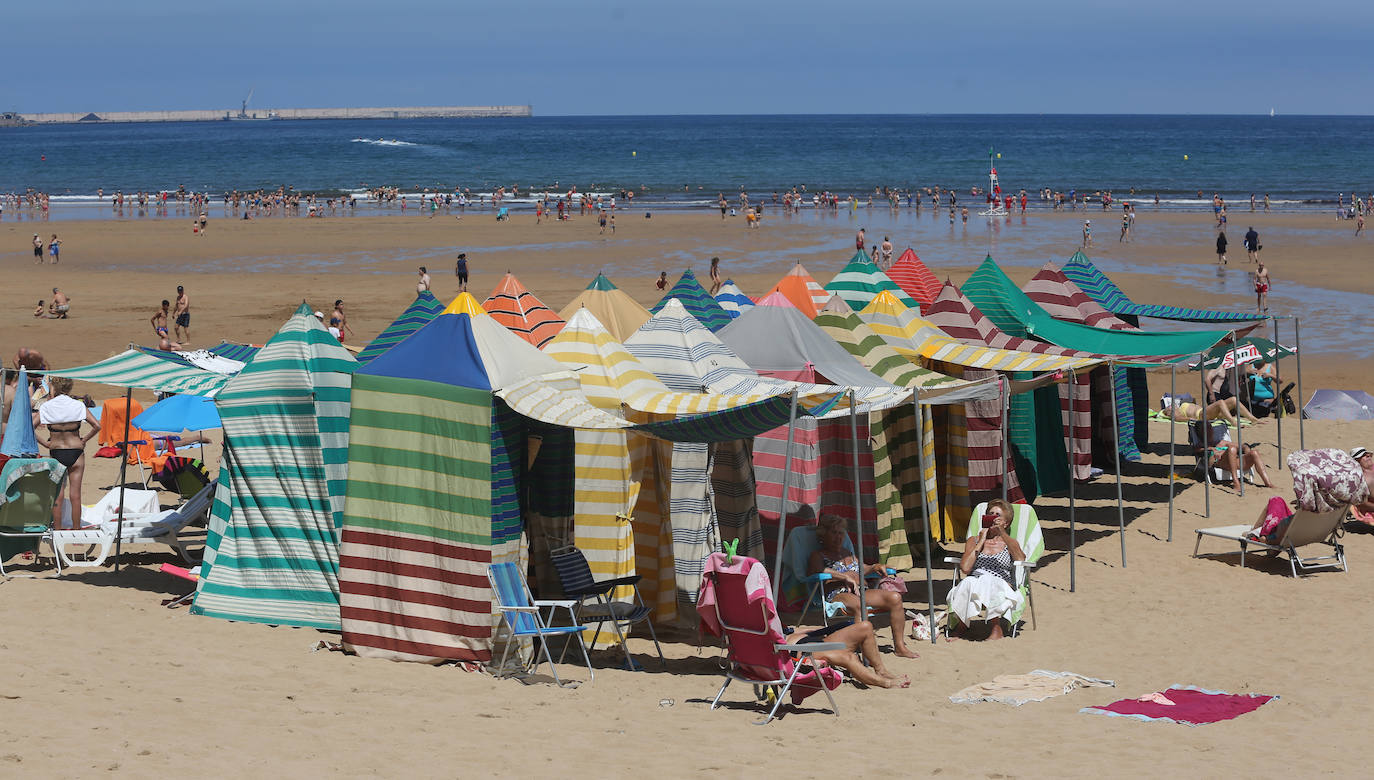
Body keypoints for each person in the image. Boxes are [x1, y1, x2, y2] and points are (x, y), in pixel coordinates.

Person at [807, 514, 920, 659]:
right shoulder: (818, 555)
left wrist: (874, 567)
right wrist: (844, 577)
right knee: (859, 606)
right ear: (823, 534)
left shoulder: (847, 553)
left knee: (895, 598)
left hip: (861, 590)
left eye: (841, 533)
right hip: (838, 592)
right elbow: (817, 571)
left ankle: (900, 647)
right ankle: (866, 652)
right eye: (833, 533)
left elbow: (862, 569)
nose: (838, 537)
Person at [948, 499, 1025, 640]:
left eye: (998, 515)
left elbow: (1021, 559)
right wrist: (981, 541)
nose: (993, 517)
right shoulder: (974, 540)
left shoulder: (1009, 542)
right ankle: (962, 626)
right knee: (966, 583)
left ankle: (996, 628)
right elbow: (965, 568)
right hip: (975, 580)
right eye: (991, 514)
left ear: (1006, 523)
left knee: (990, 582)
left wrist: (1002, 533)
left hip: (1001, 583)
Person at [36, 377, 101, 529]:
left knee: (58, 494)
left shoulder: (47, 406)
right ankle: (76, 532)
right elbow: (97, 426)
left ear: (55, 388)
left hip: (57, 451)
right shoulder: (78, 405)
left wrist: (45, 443)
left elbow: (30, 427)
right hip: (76, 451)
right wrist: (84, 440)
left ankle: (58, 530)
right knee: (75, 494)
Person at [1195, 420, 1274, 491]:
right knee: (1232, 449)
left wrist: (1247, 450)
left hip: (1235, 462)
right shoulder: (1201, 447)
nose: (1210, 431)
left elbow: (1243, 446)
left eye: (1210, 428)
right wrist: (1212, 450)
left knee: (1254, 453)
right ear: (1201, 433)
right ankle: (1236, 482)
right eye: (1206, 430)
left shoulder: (1222, 442)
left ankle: (1268, 483)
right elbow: (1198, 452)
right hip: (1221, 464)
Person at [1161, 394, 1261, 425]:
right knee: (1220, 402)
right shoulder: (1175, 413)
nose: (1170, 405)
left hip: (1207, 412)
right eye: (1168, 407)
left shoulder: (1180, 406)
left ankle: (1252, 418)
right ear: (1168, 412)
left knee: (1233, 400)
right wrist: (1191, 419)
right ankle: (1233, 422)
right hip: (1201, 415)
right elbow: (1177, 418)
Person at [1350, 447, 1374, 524]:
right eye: (1363, 455)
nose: (1368, 455)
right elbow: (1362, 504)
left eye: (1367, 454)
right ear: (1357, 461)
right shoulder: (1360, 480)